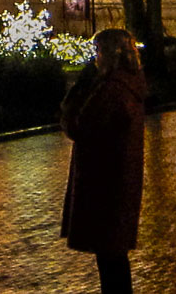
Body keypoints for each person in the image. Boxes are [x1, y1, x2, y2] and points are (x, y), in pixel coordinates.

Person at [60, 28, 146, 293]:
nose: (95, 57)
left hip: (105, 184)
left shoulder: (112, 90)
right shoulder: (129, 84)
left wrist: (73, 98)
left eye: (98, 51)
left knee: (111, 259)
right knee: (113, 257)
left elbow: (80, 126)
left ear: (109, 54)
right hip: (116, 179)